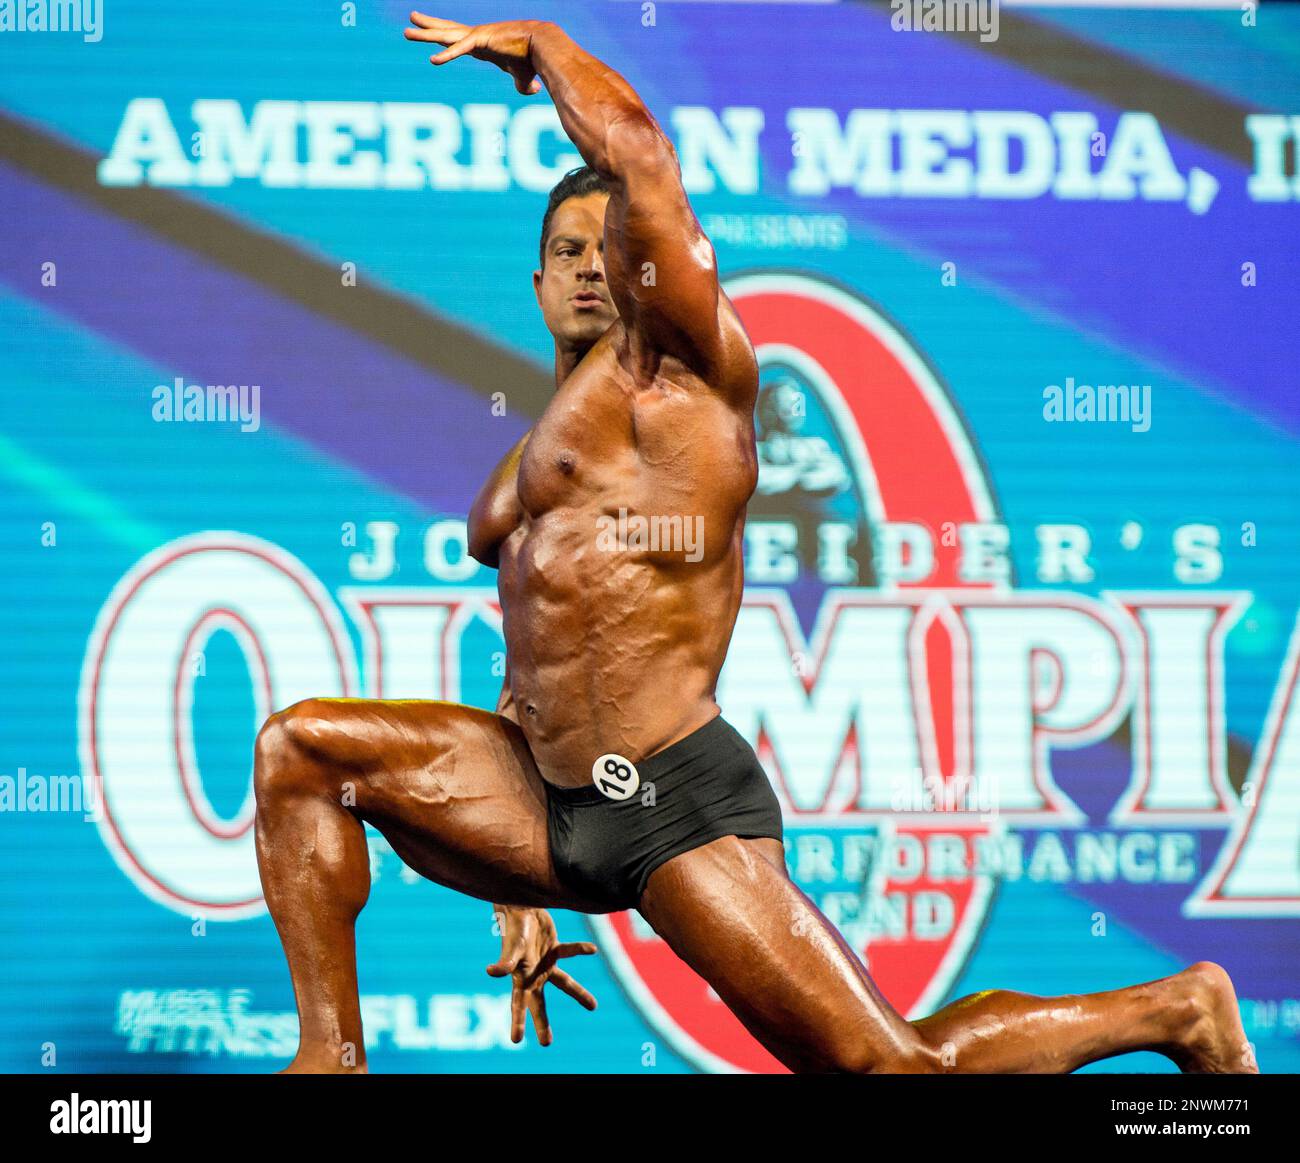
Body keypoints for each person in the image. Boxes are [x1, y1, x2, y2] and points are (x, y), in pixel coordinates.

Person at [250, 14, 1257, 1075]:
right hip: (547, 797)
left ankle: (1171, 1008)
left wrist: (544, 44)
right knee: (300, 750)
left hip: (670, 801)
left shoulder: (679, 361)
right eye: (566, 252)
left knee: (888, 1069)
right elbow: (540, 655)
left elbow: (635, 142)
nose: (593, 268)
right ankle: (333, 1056)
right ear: (538, 283)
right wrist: (511, 891)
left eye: (610, 246)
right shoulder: (534, 464)